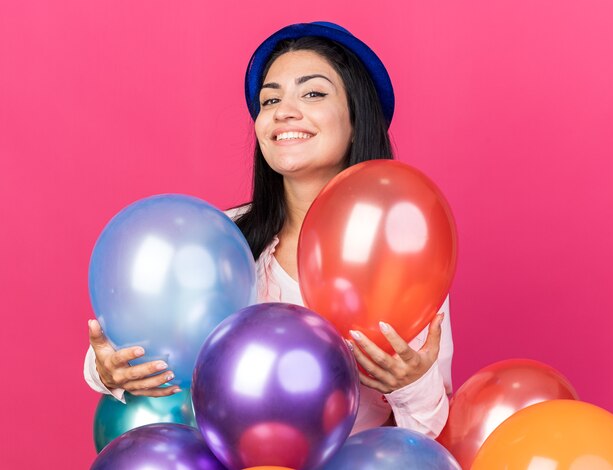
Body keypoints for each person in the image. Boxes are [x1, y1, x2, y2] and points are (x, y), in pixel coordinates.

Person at [85, 21, 453, 438]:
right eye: (270, 99)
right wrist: (106, 371)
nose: (283, 111)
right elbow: (143, 342)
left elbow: (428, 432)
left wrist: (409, 385)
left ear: (356, 117)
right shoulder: (218, 237)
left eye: (313, 93)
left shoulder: (405, 250)